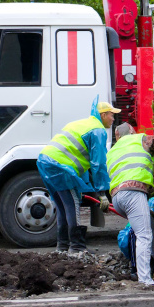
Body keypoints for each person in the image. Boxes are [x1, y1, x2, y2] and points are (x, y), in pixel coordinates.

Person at [36, 98, 119, 255]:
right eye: (111, 115)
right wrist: (102, 193)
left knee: (62, 205)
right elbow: (98, 164)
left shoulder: (81, 124)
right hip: (59, 165)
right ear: (103, 115)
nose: (113, 119)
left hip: (45, 161)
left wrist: (86, 186)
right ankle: (77, 247)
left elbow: (79, 159)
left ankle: (62, 246)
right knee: (72, 204)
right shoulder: (98, 130)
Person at [108, 122, 154, 286]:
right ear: (132, 131)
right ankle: (145, 281)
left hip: (117, 197)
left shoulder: (112, 151)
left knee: (148, 224)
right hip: (133, 191)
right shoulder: (140, 139)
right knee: (144, 235)